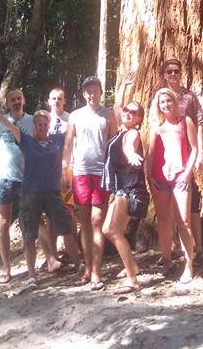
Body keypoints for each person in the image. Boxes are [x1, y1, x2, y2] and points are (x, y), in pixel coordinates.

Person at [0, 108, 79, 287]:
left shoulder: (56, 140)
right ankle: (32, 276)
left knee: (66, 229)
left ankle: (79, 267)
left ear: (49, 125)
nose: (42, 127)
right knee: (29, 235)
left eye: (45, 124)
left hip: (53, 193)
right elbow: (9, 126)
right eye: (39, 124)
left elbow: (73, 129)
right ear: (34, 125)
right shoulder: (26, 140)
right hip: (30, 194)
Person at [62, 75, 117, 289]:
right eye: (88, 91)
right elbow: (67, 146)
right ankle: (88, 266)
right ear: (83, 93)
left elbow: (113, 144)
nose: (92, 94)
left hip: (101, 173)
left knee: (97, 221)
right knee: (84, 222)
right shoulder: (75, 116)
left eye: (95, 90)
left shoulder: (108, 114)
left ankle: (97, 270)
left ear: (101, 92)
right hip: (80, 173)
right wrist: (63, 171)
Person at [102, 71, 149, 293]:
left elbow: (130, 146)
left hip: (130, 191)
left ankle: (132, 279)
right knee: (107, 229)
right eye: (127, 111)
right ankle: (134, 267)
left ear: (139, 119)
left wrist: (131, 154)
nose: (128, 113)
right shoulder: (121, 130)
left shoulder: (132, 134)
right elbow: (117, 107)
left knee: (112, 231)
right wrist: (123, 85)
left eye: (134, 112)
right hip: (121, 189)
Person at [0, 88, 34, 284]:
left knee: (30, 221)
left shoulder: (32, 120)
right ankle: (6, 268)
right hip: (4, 175)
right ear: (7, 102)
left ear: (24, 100)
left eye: (19, 98)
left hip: (26, 177)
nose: (16, 101)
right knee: (3, 222)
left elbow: (32, 143)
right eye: (12, 99)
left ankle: (33, 269)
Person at [146, 87, 197, 284]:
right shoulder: (156, 127)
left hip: (180, 178)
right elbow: (151, 153)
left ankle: (189, 265)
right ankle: (167, 260)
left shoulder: (185, 122)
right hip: (160, 179)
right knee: (164, 221)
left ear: (175, 102)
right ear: (158, 106)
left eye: (169, 101)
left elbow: (194, 149)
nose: (166, 105)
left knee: (183, 221)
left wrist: (187, 172)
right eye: (162, 103)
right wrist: (149, 176)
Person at [159, 58, 203, 257]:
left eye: (176, 71)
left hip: (187, 157)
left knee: (190, 203)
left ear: (181, 73)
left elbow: (200, 122)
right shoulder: (160, 96)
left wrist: (201, 151)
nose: (173, 75)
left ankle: (198, 248)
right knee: (168, 206)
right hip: (167, 158)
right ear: (164, 74)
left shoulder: (189, 97)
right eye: (169, 71)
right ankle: (170, 249)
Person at [47, 87, 78, 263]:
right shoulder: (43, 120)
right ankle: (53, 256)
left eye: (60, 98)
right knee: (49, 213)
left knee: (69, 211)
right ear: (48, 101)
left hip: (67, 171)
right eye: (53, 98)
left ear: (65, 100)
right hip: (47, 173)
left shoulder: (70, 119)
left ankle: (73, 251)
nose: (57, 101)